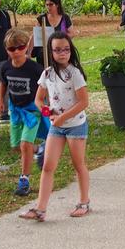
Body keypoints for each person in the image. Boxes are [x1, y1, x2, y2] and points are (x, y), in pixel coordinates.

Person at [19, 32, 91, 221]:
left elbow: (84, 102)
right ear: (50, 52)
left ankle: (84, 202)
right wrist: (48, 113)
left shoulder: (74, 73)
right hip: (56, 127)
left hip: (76, 125)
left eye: (66, 49)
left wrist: (63, 118)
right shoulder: (47, 73)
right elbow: (38, 99)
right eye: (58, 50)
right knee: (48, 166)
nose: (62, 53)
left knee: (78, 164)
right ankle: (40, 209)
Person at [0, 29, 45, 197]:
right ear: (6, 49)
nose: (16, 51)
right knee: (17, 146)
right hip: (15, 111)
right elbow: (3, 84)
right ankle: (39, 150)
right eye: (11, 49)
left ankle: (24, 180)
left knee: (25, 144)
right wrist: (0, 100)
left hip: (32, 111)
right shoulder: (5, 67)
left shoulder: (35, 68)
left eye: (20, 47)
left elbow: (45, 85)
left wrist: (45, 105)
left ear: (26, 47)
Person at [30, 0, 73, 66]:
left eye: (51, 4)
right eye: (47, 5)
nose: (48, 7)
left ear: (57, 5)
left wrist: (60, 40)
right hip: (43, 54)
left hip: (59, 53)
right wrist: (28, 52)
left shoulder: (65, 18)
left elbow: (71, 33)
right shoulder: (42, 18)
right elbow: (34, 35)